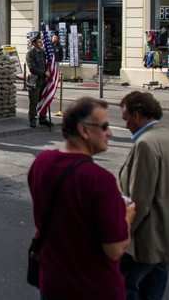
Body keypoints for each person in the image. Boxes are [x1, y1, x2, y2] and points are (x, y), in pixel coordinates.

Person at [28, 97, 135, 300]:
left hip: (52, 282)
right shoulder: (100, 180)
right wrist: (127, 217)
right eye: (104, 127)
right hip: (92, 288)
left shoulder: (41, 163)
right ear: (84, 130)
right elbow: (114, 249)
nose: (110, 133)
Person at [119, 92, 169, 300]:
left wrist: (124, 233)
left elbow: (139, 200)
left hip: (147, 239)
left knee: (123, 285)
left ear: (138, 114)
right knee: (154, 289)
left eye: (126, 118)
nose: (126, 125)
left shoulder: (145, 144)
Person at [26, 34, 49, 128]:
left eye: (41, 41)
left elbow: (45, 64)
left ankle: (42, 118)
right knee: (34, 101)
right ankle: (32, 119)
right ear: (34, 43)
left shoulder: (43, 52)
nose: (41, 43)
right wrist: (44, 73)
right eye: (39, 42)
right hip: (34, 81)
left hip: (43, 80)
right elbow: (32, 68)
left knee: (43, 100)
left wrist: (48, 71)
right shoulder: (30, 53)